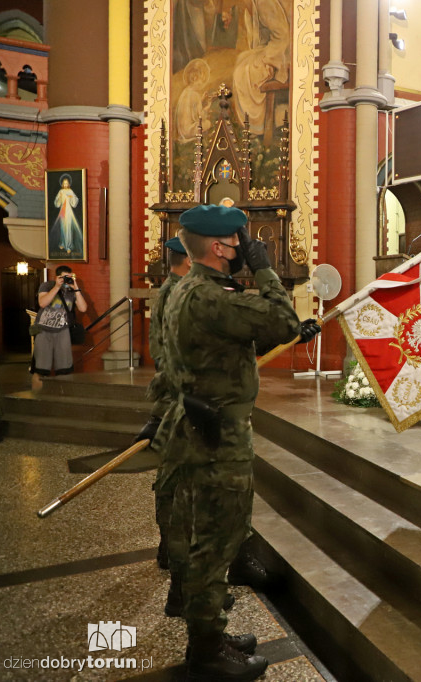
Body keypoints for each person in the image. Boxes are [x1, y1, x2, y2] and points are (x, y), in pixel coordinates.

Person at [152, 204, 319, 680]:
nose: (244, 249)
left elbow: (236, 341)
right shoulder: (210, 296)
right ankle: (207, 651)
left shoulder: (188, 291)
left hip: (201, 425)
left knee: (210, 534)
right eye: (240, 243)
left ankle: (211, 633)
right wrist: (265, 267)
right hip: (218, 436)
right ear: (221, 246)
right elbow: (285, 319)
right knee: (217, 541)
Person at [136, 237, 191, 571]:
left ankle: (170, 550)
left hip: (174, 395)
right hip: (179, 399)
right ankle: (176, 556)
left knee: (174, 479)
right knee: (177, 482)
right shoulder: (178, 294)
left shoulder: (173, 289)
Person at [31, 265, 87, 385]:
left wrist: (76, 288)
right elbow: (42, 303)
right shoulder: (47, 285)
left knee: (64, 368)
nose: (67, 280)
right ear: (57, 277)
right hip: (43, 330)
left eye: (69, 277)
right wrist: (57, 286)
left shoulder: (72, 291)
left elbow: (83, 308)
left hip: (63, 330)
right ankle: (36, 396)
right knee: (40, 368)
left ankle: (63, 395)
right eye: (64, 277)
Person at [49, 175, 83, 259]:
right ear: (62, 184)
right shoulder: (61, 191)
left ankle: (69, 246)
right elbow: (57, 203)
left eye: (66, 183)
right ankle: (62, 243)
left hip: (68, 212)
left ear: (68, 184)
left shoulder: (70, 191)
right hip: (62, 212)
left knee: (68, 229)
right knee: (62, 228)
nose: (65, 184)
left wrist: (71, 197)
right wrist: (60, 197)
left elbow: (75, 201)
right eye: (64, 183)